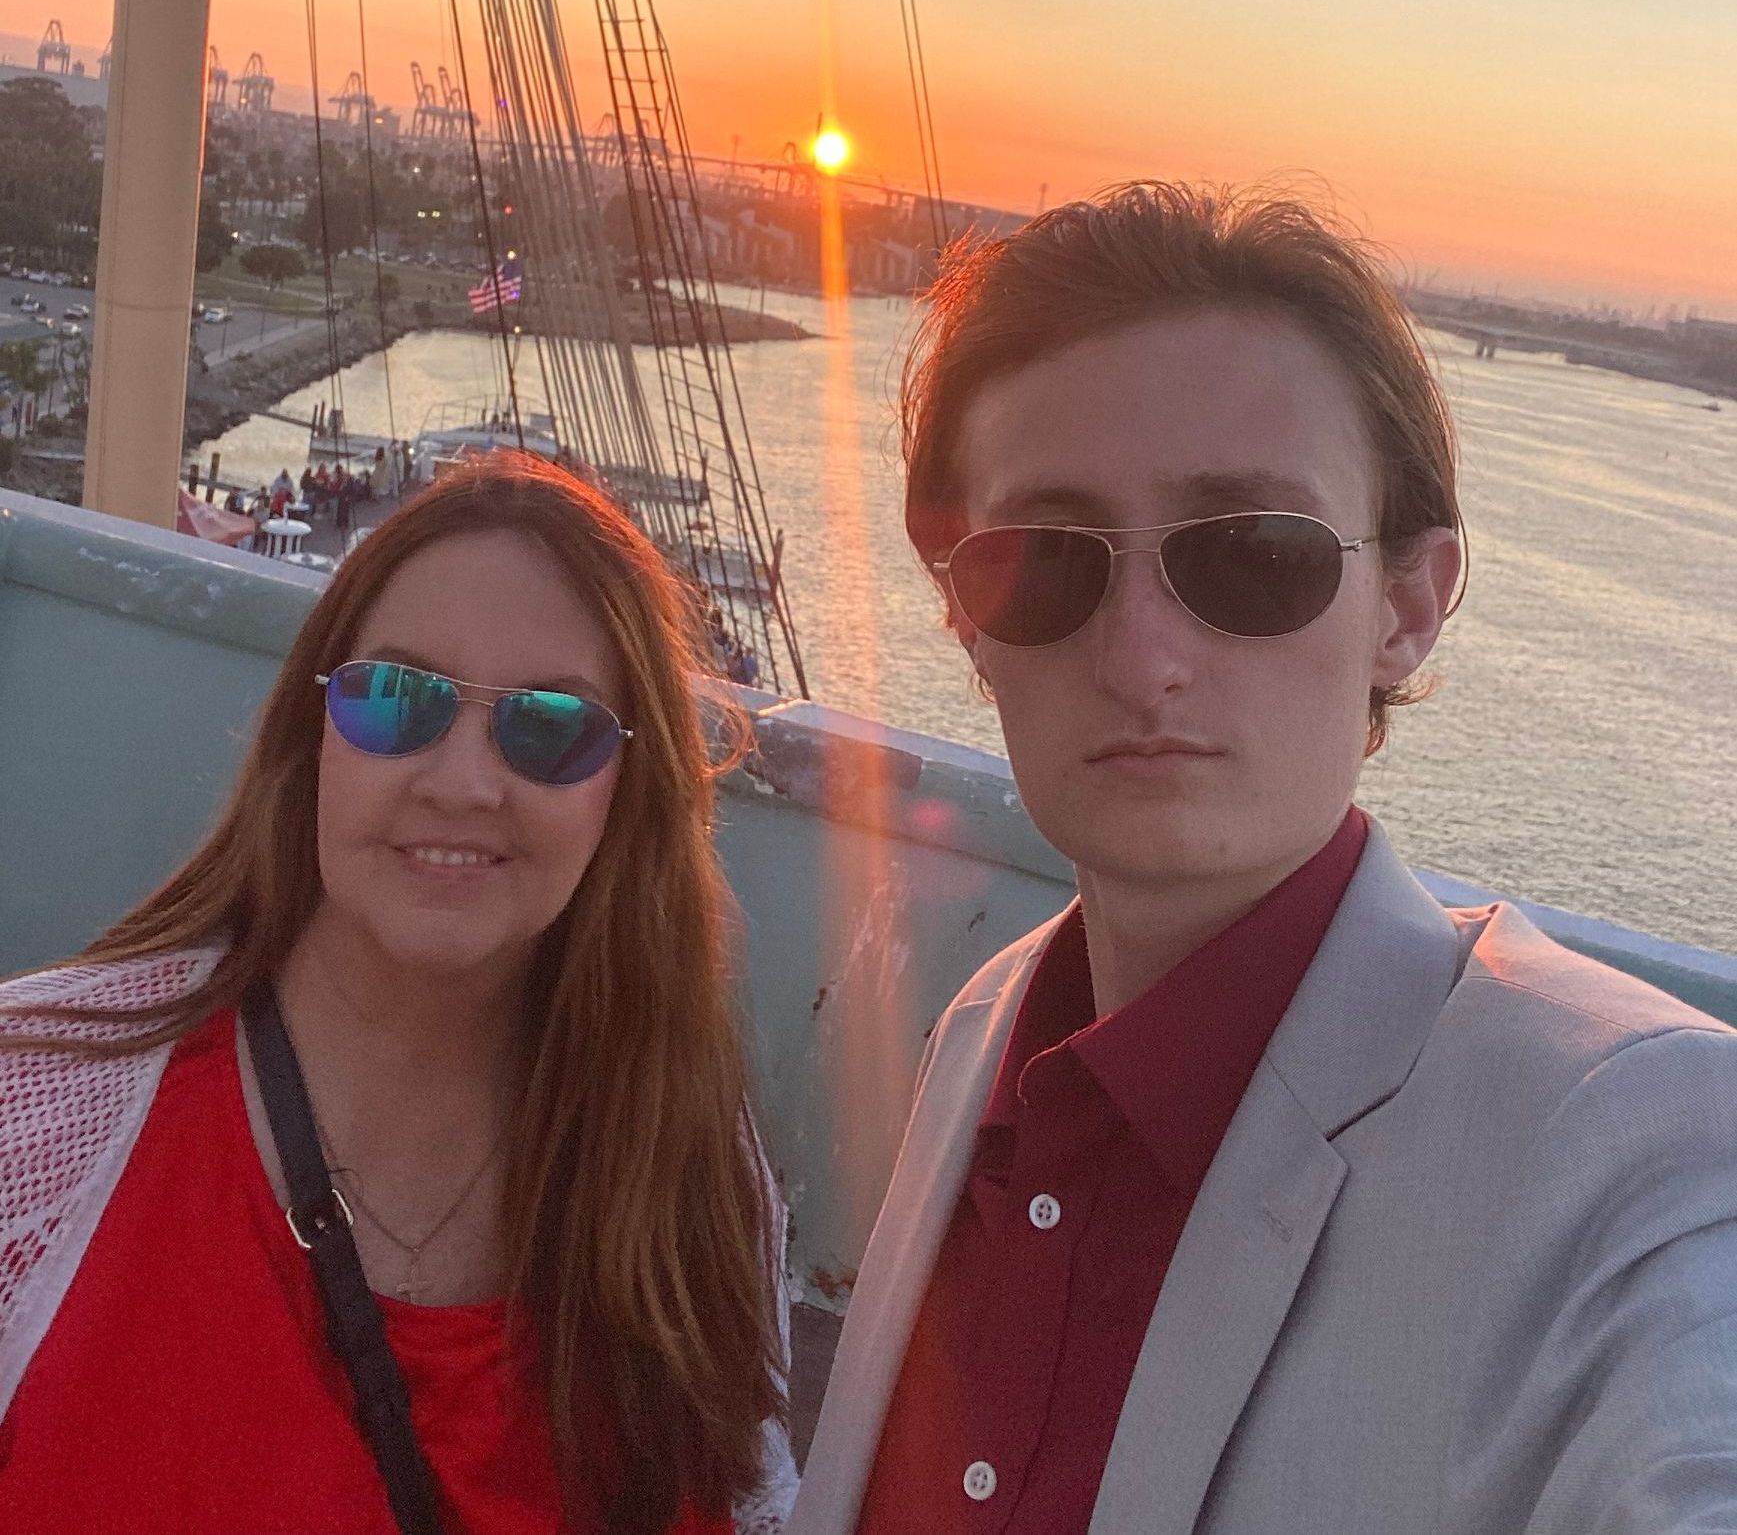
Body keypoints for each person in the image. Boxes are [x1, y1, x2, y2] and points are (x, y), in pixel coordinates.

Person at [790, 182, 1737, 1535]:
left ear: (1405, 610)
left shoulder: (1625, 1149)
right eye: (1046, 562)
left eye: (1251, 554)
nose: (1141, 656)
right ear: (965, 614)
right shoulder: (982, 1039)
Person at [0, 452, 798, 1535]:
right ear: (313, 732)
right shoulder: (37, 1114)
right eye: (396, 699)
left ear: (628, 790)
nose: (463, 781)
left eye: (550, 726)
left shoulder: (685, 1171)